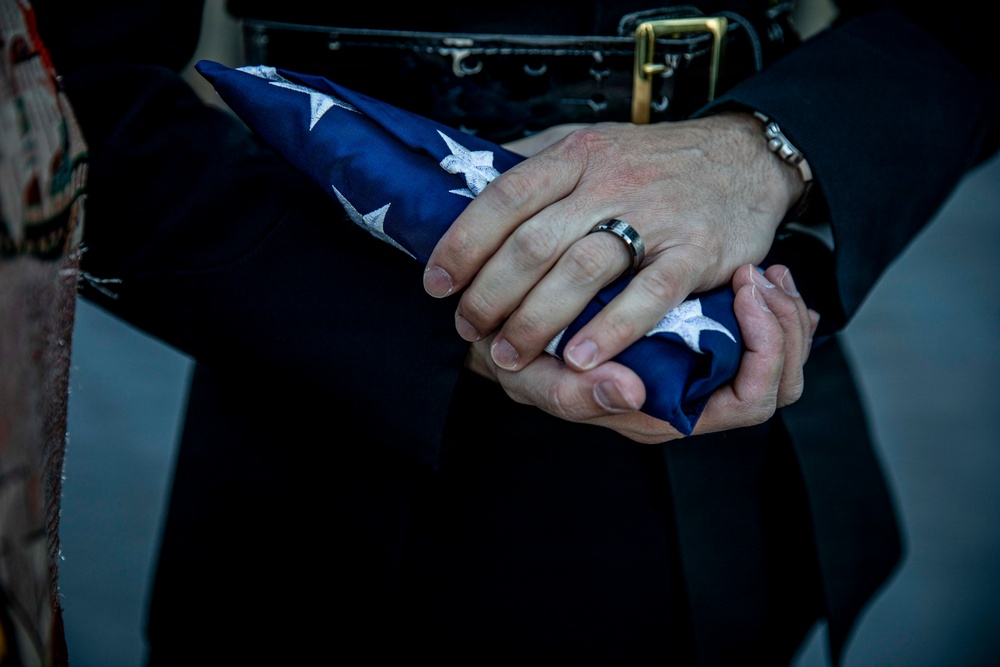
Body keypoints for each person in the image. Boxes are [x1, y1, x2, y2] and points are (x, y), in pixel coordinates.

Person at [30, 1, 999, 665]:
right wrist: (475, 317)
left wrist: (769, 147)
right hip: (338, 406)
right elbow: (67, 88)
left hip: (737, 359)